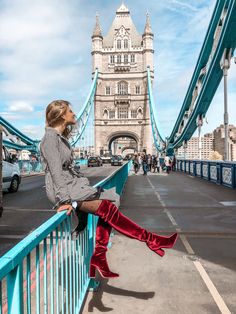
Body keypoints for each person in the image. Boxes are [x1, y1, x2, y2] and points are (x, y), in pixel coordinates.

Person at [40, 100, 178, 279]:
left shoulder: (59, 137)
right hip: (64, 190)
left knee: (112, 199)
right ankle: (151, 240)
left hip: (72, 185)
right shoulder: (50, 139)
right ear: (60, 115)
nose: (74, 114)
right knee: (108, 209)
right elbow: (56, 172)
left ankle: (99, 257)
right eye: (70, 111)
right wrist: (66, 201)